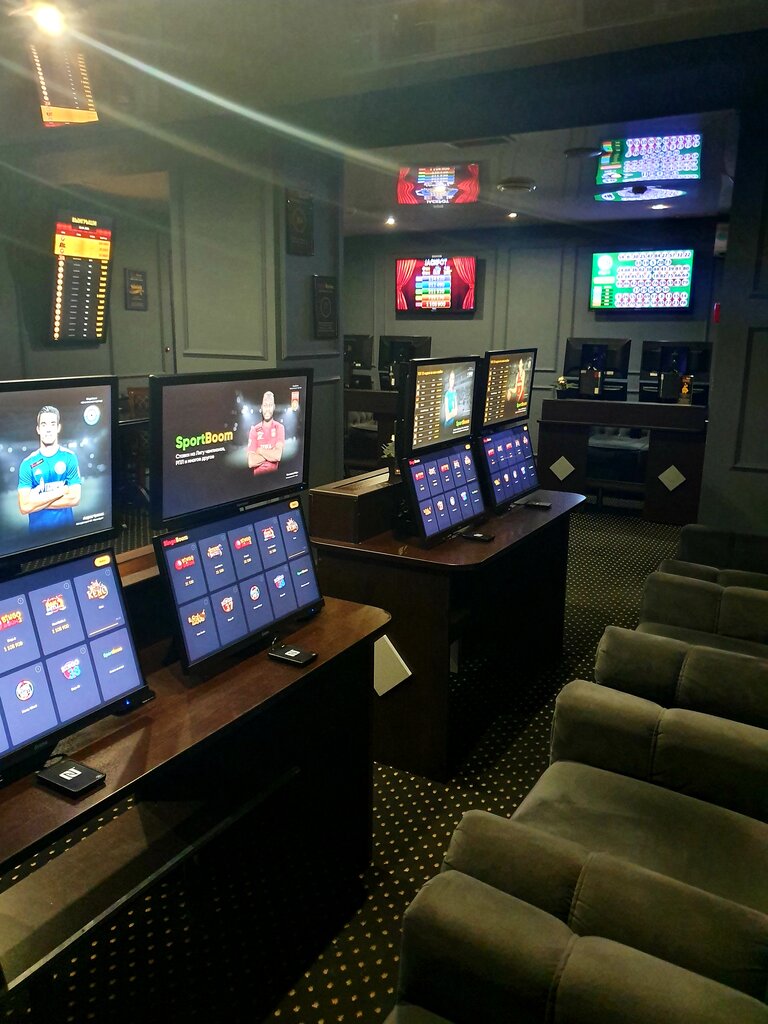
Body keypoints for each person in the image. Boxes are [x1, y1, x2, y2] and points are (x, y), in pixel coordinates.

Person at [18, 405, 81, 532]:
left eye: (52, 424)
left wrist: (35, 501)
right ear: (38, 429)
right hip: (38, 537)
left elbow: (75, 498)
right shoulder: (27, 463)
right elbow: (24, 507)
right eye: (44, 424)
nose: (48, 429)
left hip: (67, 533)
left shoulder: (69, 457)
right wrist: (61, 491)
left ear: (58, 428)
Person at [247, 391, 285, 474]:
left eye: (270, 405)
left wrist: (260, 451)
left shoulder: (279, 427)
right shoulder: (254, 430)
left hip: (274, 478)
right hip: (257, 480)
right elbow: (251, 462)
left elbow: (277, 456)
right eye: (265, 405)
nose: (267, 409)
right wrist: (271, 453)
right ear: (261, 407)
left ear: (274, 407)